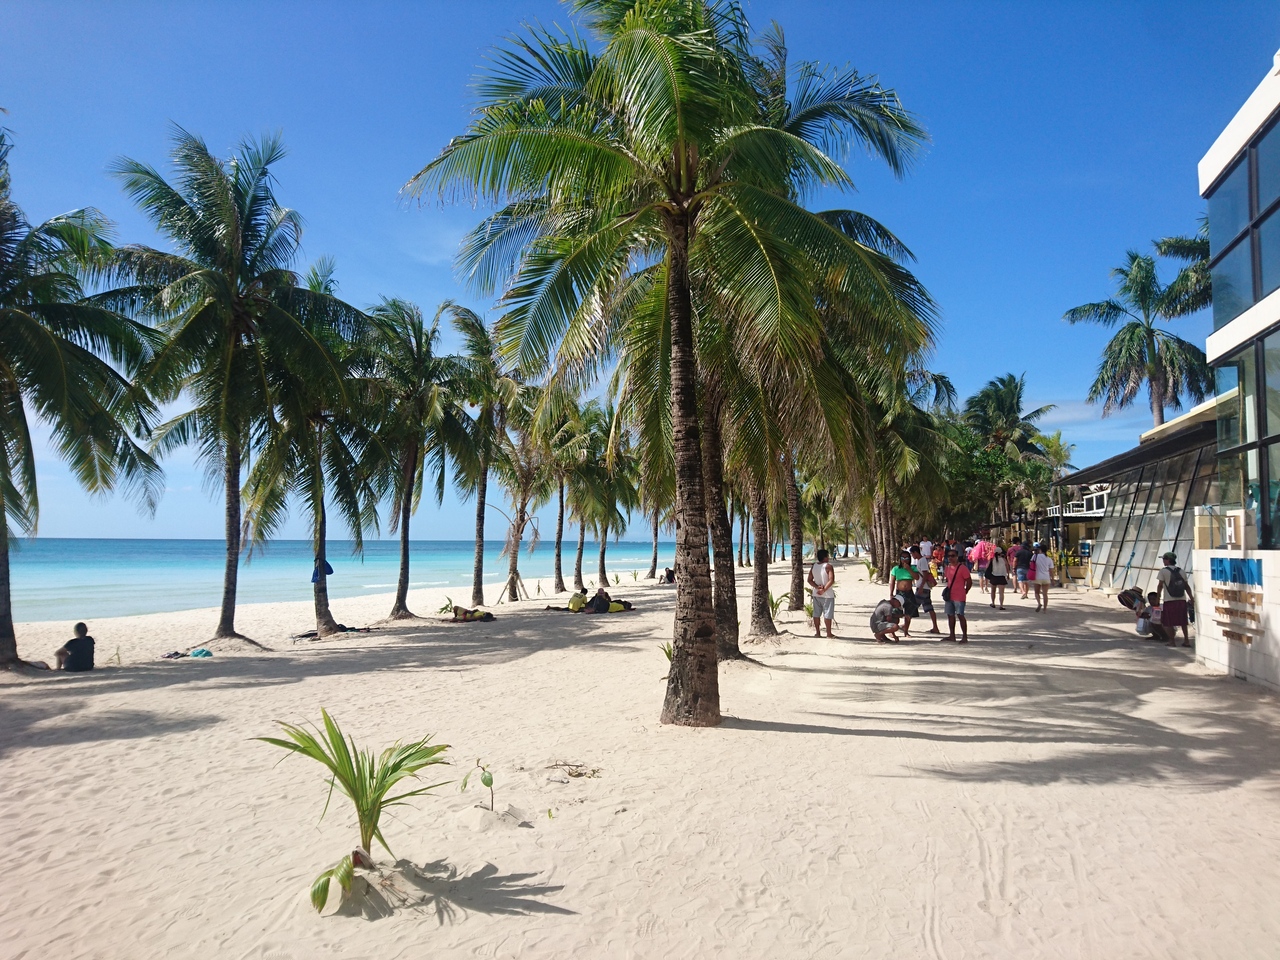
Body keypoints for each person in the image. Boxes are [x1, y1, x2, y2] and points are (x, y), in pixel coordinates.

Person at [1156, 552, 1193, 647]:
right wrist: (1191, 598)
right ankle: (1186, 640)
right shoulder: (1181, 571)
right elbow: (1186, 586)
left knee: (1167, 622)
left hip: (1169, 600)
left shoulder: (1163, 571)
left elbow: (1160, 586)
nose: (1163, 561)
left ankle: (1172, 641)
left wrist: (1158, 598)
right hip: (1181, 600)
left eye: (1164, 559)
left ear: (1168, 560)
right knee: (1183, 621)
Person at [941, 548, 972, 642]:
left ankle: (964, 636)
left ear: (957, 557)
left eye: (953, 556)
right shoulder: (948, 568)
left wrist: (966, 590)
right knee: (950, 615)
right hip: (949, 596)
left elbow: (969, 581)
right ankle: (952, 635)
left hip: (959, 596)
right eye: (949, 556)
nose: (951, 558)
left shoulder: (962, 568)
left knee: (960, 615)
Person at [910, 545, 940, 634]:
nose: (912, 556)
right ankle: (935, 627)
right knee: (929, 608)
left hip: (923, 588)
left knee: (913, 606)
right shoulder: (921, 561)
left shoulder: (922, 561)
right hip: (924, 588)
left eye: (912, 554)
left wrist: (921, 587)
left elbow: (925, 574)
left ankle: (905, 625)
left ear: (915, 553)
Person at [888, 552, 919, 636]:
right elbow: (892, 582)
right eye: (902, 558)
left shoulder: (913, 568)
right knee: (896, 613)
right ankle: (892, 631)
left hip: (909, 593)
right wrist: (891, 593)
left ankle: (906, 631)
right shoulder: (896, 568)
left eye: (907, 558)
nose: (904, 560)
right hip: (899, 593)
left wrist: (909, 569)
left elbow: (917, 577)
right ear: (900, 559)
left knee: (908, 613)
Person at [807, 548, 836, 638]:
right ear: (825, 557)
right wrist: (824, 589)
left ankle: (818, 633)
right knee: (828, 614)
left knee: (816, 613)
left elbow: (809, 580)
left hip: (816, 593)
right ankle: (828, 633)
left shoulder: (814, 566)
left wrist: (816, 587)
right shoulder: (828, 566)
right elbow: (831, 580)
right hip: (827, 594)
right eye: (827, 556)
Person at [1031, 544, 1055, 612]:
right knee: (1045, 594)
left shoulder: (1035, 556)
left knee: (1036, 593)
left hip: (1037, 576)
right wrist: (1052, 580)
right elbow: (1051, 571)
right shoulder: (1049, 559)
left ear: (1040, 550)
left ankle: (1039, 603)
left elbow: (1031, 564)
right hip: (1046, 577)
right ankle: (1045, 609)